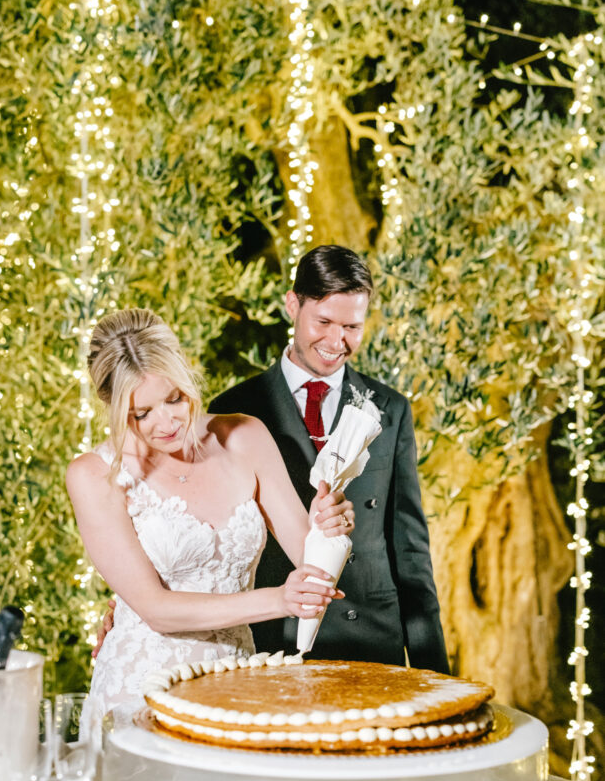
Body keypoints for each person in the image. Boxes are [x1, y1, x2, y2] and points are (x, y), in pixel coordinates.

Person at [67, 308, 353, 732]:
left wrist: (332, 529)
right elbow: (156, 610)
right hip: (141, 688)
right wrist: (277, 601)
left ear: (187, 378)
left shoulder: (244, 436)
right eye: (140, 413)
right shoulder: (94, 475)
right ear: (111, 406)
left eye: (174, 398)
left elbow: (311, 560)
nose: (165, 422)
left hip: (235, 681)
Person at [209, 244, 449, 673]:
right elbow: (204, 529)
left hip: (372, 639)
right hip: (272, 639)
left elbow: (410, 550)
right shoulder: (233, 409)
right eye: (323, 322)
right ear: (292, 305)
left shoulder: (391, 409)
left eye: (352, 327)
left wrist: (435, 670)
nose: (337, 342)